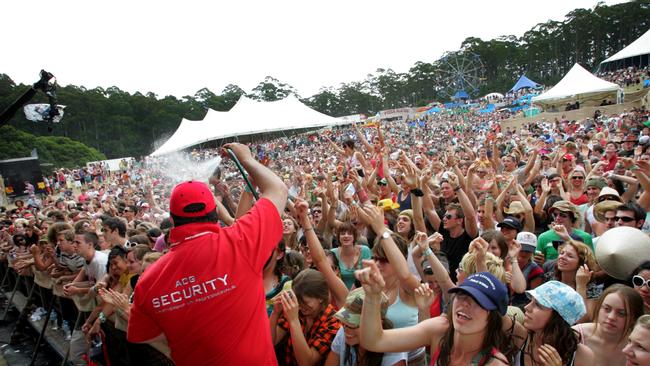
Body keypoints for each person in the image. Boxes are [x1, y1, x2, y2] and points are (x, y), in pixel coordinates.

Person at [127, 143, 288, 366]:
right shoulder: (240, 243)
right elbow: (277, 190)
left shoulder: (148, 280)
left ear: (172, 220)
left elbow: (146, 336)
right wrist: (247, 160)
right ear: (215, 213)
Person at [357, 265, 510, 366]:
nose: (465, 304)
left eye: (478, 301)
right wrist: (372, 296)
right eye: (462, 295)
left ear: (493, 316)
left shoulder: (495, 363)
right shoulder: (440, 330)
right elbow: (374, 341)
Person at [514, 281, 595, 366]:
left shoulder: (583, 356)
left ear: (558, 317)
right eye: (531, 301)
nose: (527, 307)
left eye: (538, 305)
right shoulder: (519, 336)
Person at [271, 269, 341, 366]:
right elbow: (271, 342)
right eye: (298, 301)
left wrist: (294, 320)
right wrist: (275, 313)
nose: (300, 306)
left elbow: (306, 363)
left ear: (320, 298)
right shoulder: (296, 310)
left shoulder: (333, 322)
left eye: (305, 302)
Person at [326, 288, 407, 366]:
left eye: (354, 325)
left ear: (377, 325)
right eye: (345, 322)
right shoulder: (343, 332)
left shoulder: (394, 352)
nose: (346, 329)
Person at [572, 285, 644, 366]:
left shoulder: (640, 346)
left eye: (621, 313)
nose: (611, 317)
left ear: (633, 318)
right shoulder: (575, 335)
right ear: (598, 308)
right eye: (607, 309)